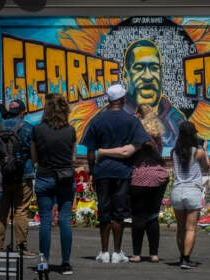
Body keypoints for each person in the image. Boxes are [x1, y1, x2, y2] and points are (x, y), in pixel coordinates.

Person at [81, 84, 150, 264]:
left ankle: (104, 252)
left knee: (104, 211)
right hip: (122, 172)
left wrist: (91, 171)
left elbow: (90, 150)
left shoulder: (97, 120)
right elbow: (143, 142)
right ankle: (117, 252)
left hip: (102, 171)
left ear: (109, 100)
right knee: (118, 212)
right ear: (123, 100)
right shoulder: (131, 121)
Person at [97, 104, 168, 263]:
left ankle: (136, 254)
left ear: (138, 115)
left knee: (138, 216)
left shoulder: (139, 134)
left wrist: (102, 152)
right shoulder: (157, 135)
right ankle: (154, 254)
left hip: (140, 176)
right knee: (153, 216)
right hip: (158, 177)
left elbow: (126, 152)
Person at [31, 94, 77, 275]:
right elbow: (73, 159)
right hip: (65, 178)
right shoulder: (71, 131)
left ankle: (44, 263)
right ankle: (65, 263)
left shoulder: (37, 130)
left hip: (44, 177)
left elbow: (34, 158)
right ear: (64, 110)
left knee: (45, 221)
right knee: (65, 220)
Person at [122, 39, 186, 147]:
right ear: (125, 75)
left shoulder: (176, 120)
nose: (148, 76)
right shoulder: (114, 117)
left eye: (154, 68)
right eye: (139, 68)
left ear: (161, 73)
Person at [0, 99, 36, 257]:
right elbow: (34, 151)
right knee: (20, 211)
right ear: (22, 112)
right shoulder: (27, 128)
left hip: (2, 175)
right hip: (23, 174)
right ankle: (21, 248)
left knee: (1, 212)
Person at [170, 121, 210, 269]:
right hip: (192, 190)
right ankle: (186, 259)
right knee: (191, 228)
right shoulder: (197, 151)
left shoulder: (174, 152)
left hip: (177, 190)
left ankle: (182, 257)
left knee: (180, 228)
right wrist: (205, 150)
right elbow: (206, 167)